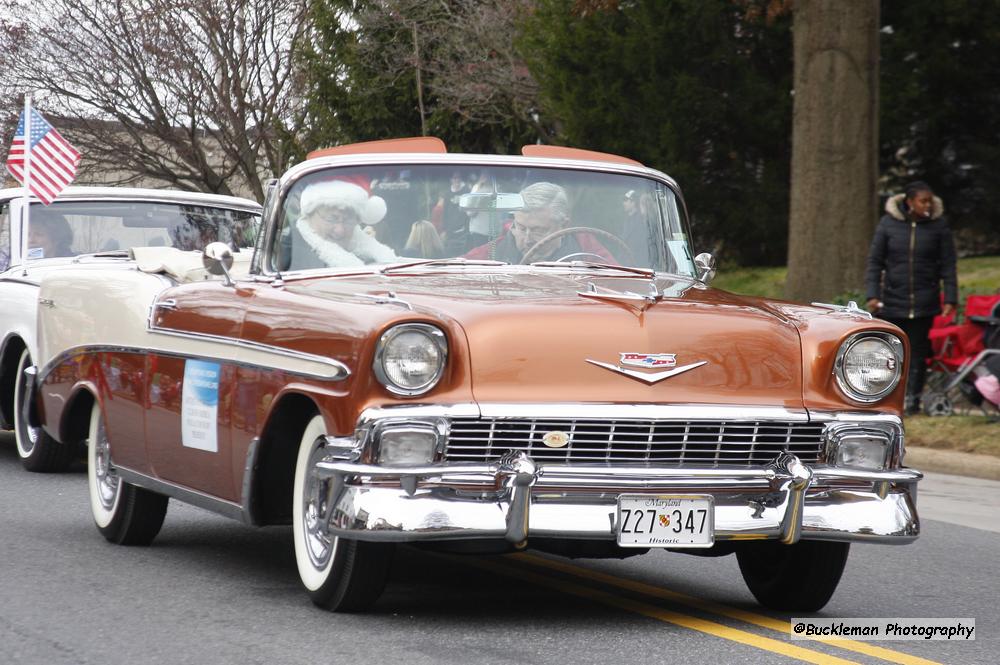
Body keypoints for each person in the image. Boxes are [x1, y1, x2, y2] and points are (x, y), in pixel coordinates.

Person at [865, 181, 958, 414]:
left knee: (917, 353)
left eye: (929, 201)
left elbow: (948, 264)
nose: (927, 205)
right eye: (922, 200)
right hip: (893, 301)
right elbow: (875, 262)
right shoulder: (888, 224)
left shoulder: (939, 227)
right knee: (891, 353)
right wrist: (872, 294)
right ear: (909, 202)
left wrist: (951, 297)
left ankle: (912, 400)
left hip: (925, 302)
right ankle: (888, 398)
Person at [464, 181, 614, 264]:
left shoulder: (586, 248)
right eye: (521, 228)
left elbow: (619, 282)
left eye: (538, 230)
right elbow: (456, 271)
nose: (527, 240)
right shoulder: (489, 254)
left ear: (563, 226)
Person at [281, 178, 398, 269]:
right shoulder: (288, 251)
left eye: (348, 220)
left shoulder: (370, 254)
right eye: (332, 219)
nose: (340, 230)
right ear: (310, 215)